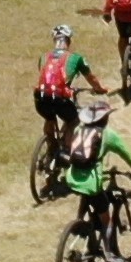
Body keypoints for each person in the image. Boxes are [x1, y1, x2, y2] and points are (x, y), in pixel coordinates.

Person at [63, 99, 131, 262]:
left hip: (72, 177)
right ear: (104, 119)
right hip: (92, 182)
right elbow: (128, 156)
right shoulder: (107, 135)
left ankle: (81, 226)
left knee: (88, 199)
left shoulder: (79, 129)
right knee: (106, 219)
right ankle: (109, 255)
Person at [35, 22, 109, 163]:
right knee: (73, 120)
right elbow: (91, 78)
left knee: (49, 118)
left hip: (40, 97)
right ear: (68, 40)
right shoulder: (76, 58)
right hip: (59, 97)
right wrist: (99, 89)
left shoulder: (44, 57)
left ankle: (51, 145)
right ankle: (65, 151)